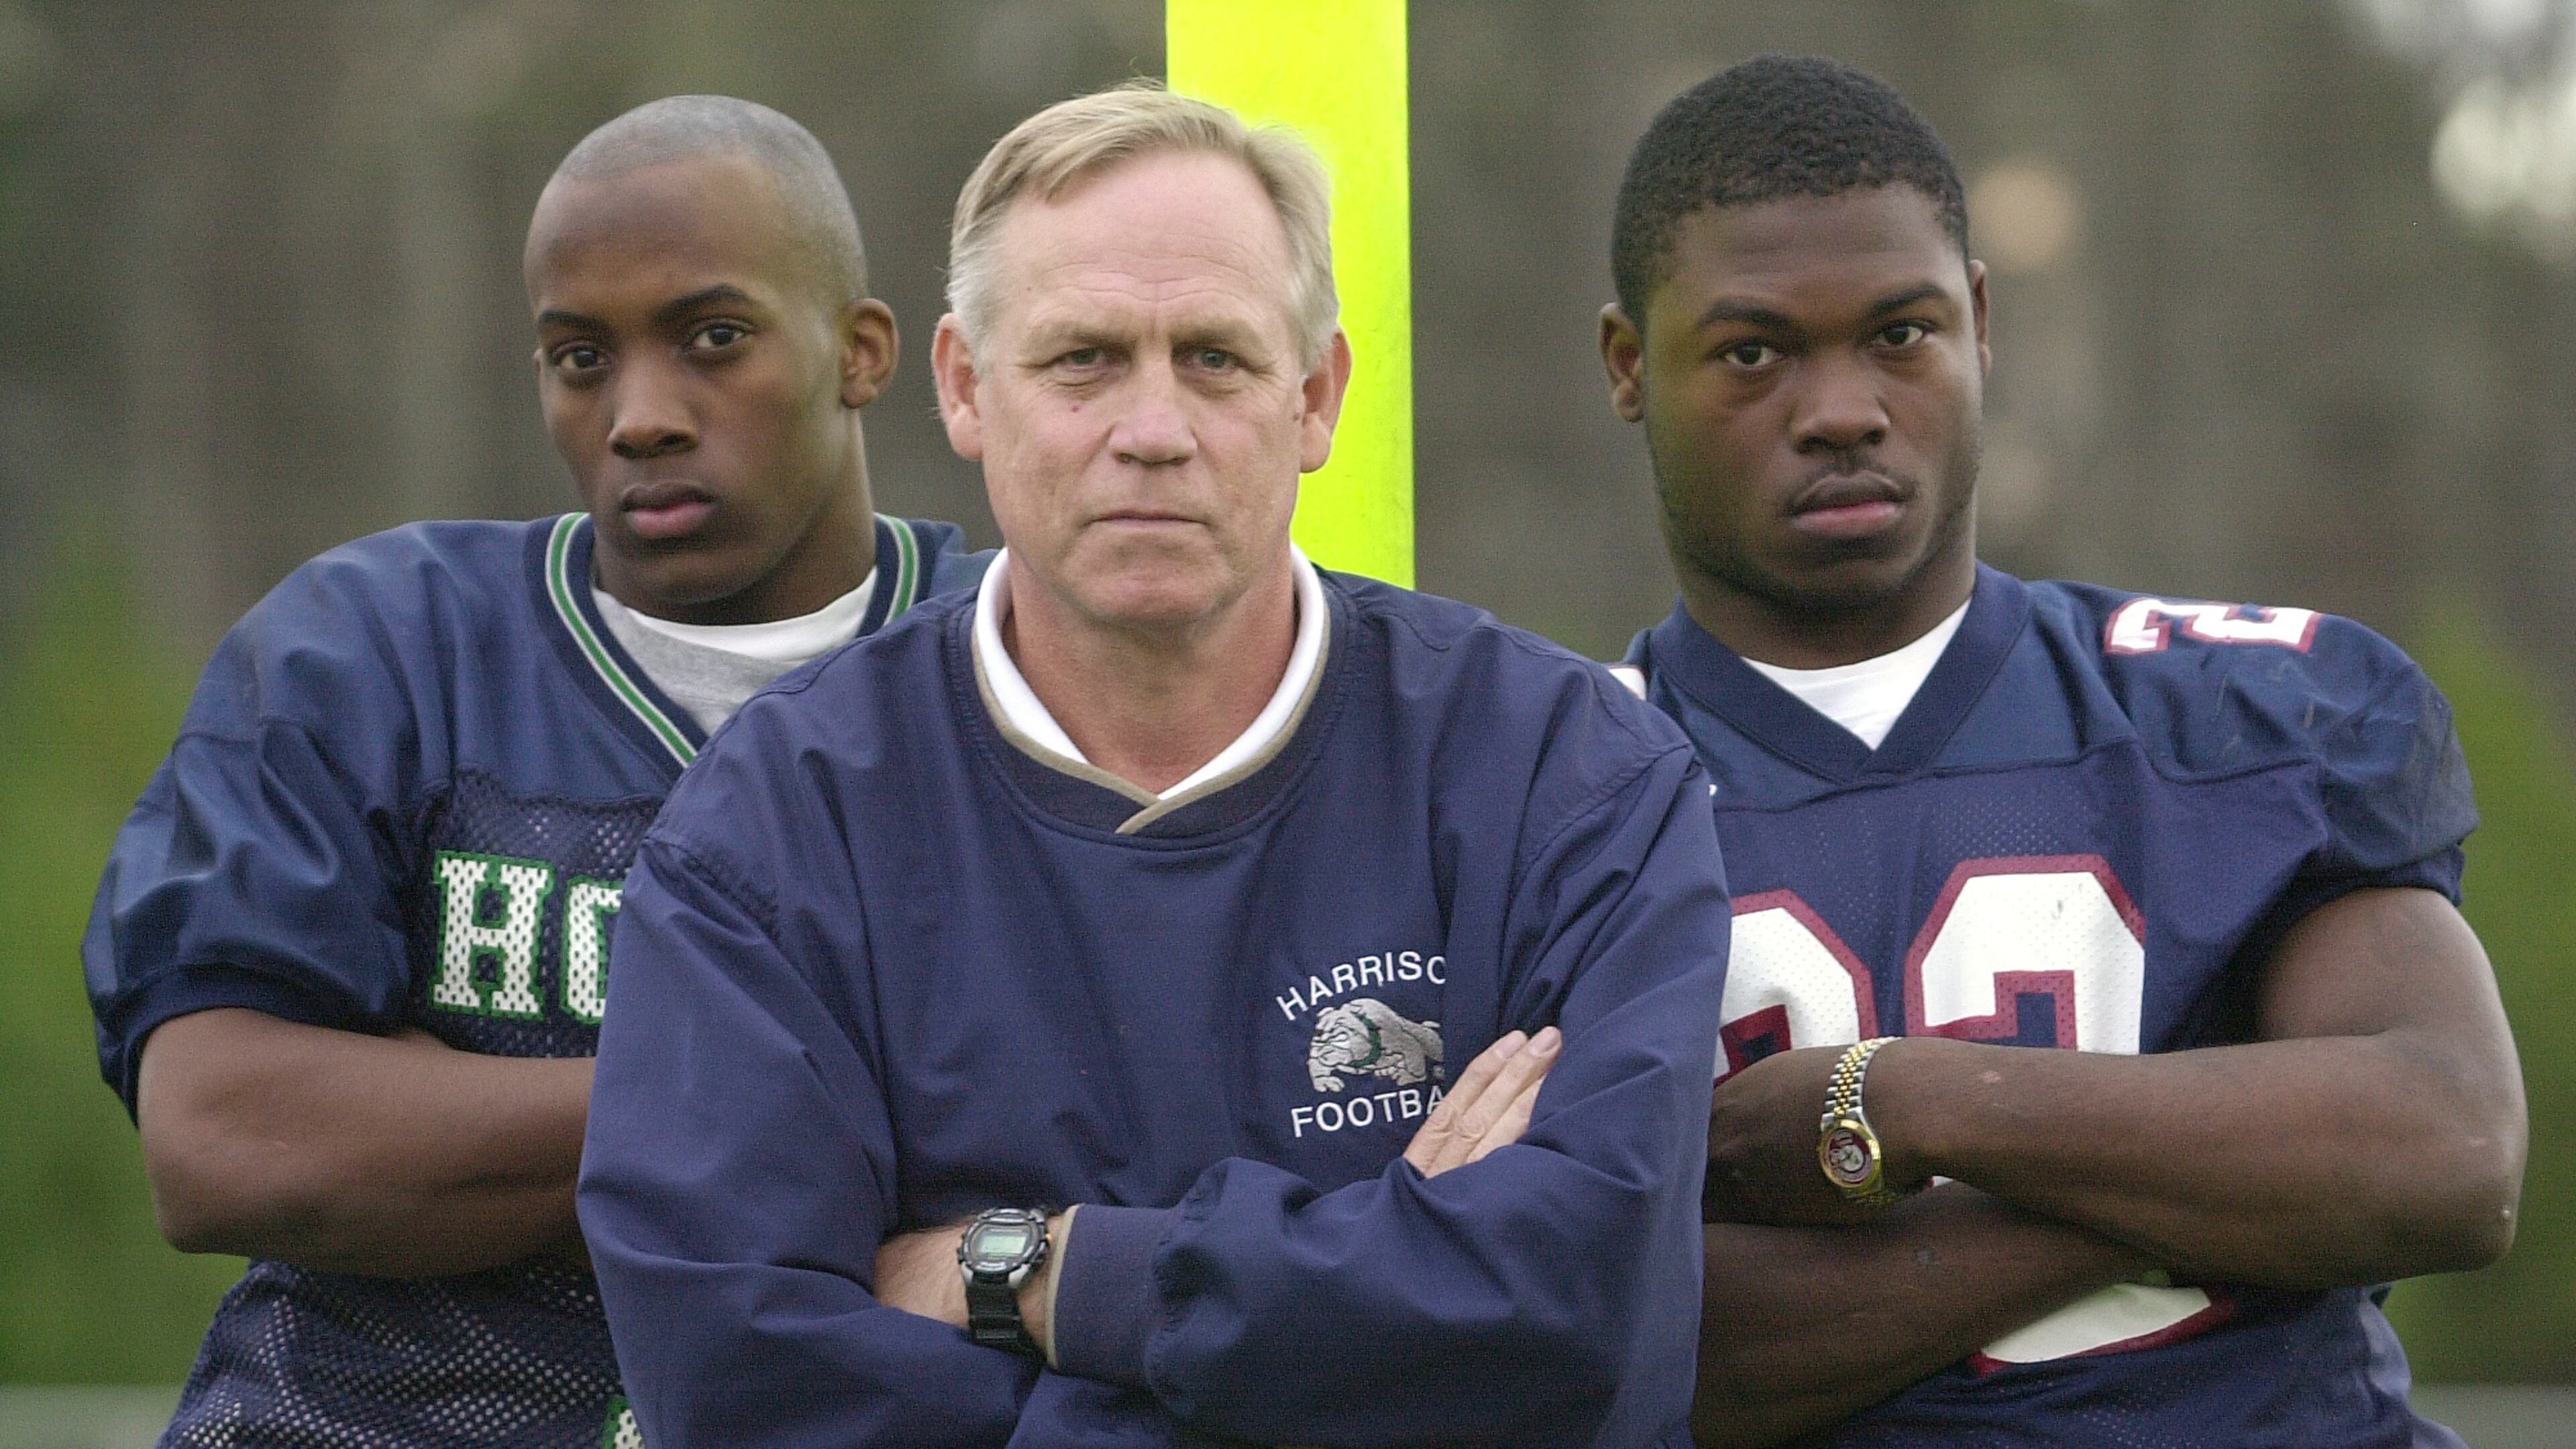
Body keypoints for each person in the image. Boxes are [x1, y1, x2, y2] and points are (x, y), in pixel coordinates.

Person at [578, 81, 1730, 1448]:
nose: (1154, 428)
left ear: (1315, 397)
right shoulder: (771, 832)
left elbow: (1579, 1332)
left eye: (1217, 359)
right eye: (1082, 359)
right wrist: (1387, 1297)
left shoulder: (1573, 782)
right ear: (962, 387)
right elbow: (742, 1392)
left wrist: (1037, 1273)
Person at [1597, 54, 2528, 1448]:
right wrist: (2210, 1172)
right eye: (1754, 351)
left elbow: (2444, 1154)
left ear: (1978, 322)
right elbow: (1625, 1355)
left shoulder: (2236, 714)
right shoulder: (1552, 786)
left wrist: (1895, 1105)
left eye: (1900, 334)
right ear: (1630, 367)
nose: (1842, 407)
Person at [82, 96, 983, 1448]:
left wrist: (456, 1117)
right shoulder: (374, 649)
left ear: (860, 354)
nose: (640, 417)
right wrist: (808, 1108)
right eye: (579, 358)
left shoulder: (1013, 661)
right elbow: (224, 1140)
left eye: (713, 339)